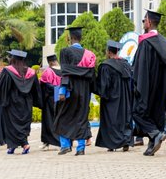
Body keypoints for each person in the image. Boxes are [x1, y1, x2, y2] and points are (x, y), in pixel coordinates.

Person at [133, 10, 166, 156]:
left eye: (144, 20)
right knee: (156, 115)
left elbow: (140, 69)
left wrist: (138, 86)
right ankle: (152, 145)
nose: (143, 23)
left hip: (148, 87)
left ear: (149, 22)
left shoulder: (145, 43)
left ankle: (155, 133)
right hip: (162, 89)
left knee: (137, 112)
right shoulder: (165, 42)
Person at [56, 25, 97, 156]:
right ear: (81, 37)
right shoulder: (89, 55)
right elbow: (92, 76)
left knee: (63, 116)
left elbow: (65, 73)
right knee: (81, 118)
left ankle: (65, 145)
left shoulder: (65, 52)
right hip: (85, 91)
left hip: (70, 89)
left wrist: (62, 91)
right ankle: (80, 148)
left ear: (70, 38)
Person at [0, 50, 39, 155]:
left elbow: (2, 87)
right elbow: (36, 89)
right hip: (26, 102)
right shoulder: (31, 72)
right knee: (23, 124)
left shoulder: (8, 71)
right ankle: (12, 146)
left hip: (12, 103)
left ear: (13, 59)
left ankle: (25, 144)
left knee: (12, 124)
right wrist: (37, 101)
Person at [95, 39, 134, 152]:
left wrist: (101, 93)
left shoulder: (106, 66)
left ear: (108, 52)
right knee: (124, 119)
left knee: (111, 120)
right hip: (125, 99)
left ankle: (112, 144)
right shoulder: (125, 64)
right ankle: (126, 141)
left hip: (112, 99)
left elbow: (104, 86)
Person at [38, 54, 62, 150]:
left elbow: (44, 86)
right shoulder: (63, 70)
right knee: (59, 119)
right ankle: (62, 141)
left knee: (48, 120)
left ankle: (48, 142)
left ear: (50, 62)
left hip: (50, 99)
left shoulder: (48, 71)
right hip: (61, 97)